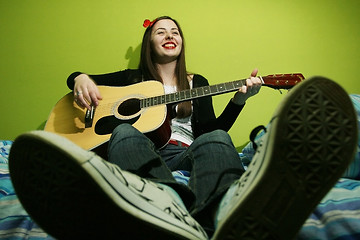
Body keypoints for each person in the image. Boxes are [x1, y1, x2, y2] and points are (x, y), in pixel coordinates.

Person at [9, 16, 358, 240]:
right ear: (150, 42)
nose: (169, 35)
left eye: (175, 31)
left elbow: (210, 132)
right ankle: (165, 205)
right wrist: (79, 78)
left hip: (186, 152)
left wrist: (239, 101)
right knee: (125, 132)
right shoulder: (132, 79)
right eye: (160, 31)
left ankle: (222, 210)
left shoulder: (197, 82)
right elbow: (78, 79)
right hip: (143, 153)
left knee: (220, 138)